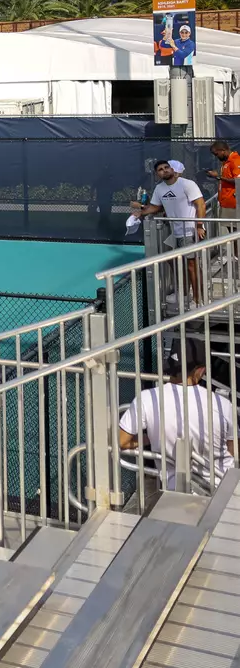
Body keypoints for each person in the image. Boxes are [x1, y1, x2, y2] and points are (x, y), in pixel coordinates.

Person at [119, 339, 236, 493]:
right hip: (223, 488)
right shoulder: (223, 404)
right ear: (201, 371)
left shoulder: (148, 399)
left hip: (175, 490)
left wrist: (151, 438)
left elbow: (121, 441)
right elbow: (234, 451)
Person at [132, 159, 208, 309]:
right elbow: (154, 207)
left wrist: (199, 225)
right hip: (175, 232)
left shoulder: (187, 184)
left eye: (167, 167)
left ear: (172, 169)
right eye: (161, 169)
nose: (165, 170)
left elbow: (201, 204)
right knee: (170, 257)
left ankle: (199, 300)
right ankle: (184, 293)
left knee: (192, 265)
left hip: (189, 230)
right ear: (157, 174)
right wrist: (139, 212)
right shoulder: (159, 189)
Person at [208, 141, 240, 227]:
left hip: (233, 204)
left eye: (216, 154)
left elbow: (238, 181)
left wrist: (218, 176)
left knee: (234, 232)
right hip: (226, 203)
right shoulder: (226, 162)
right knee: (231, 231)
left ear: (222, 150)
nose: (216, 157)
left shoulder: (235, 160)